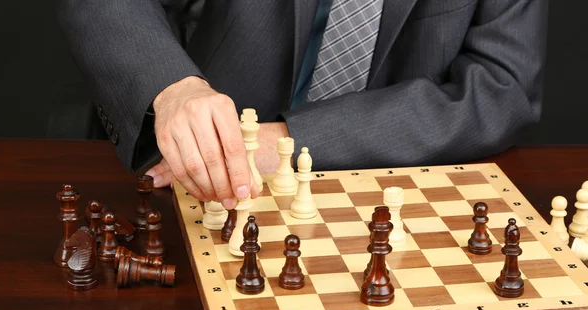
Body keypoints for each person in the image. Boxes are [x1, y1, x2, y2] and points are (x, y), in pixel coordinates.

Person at [58, 0, 548, 210]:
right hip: (187, 177)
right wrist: (172, 87)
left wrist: (290, 142)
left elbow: (500, 87)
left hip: (385, 197)